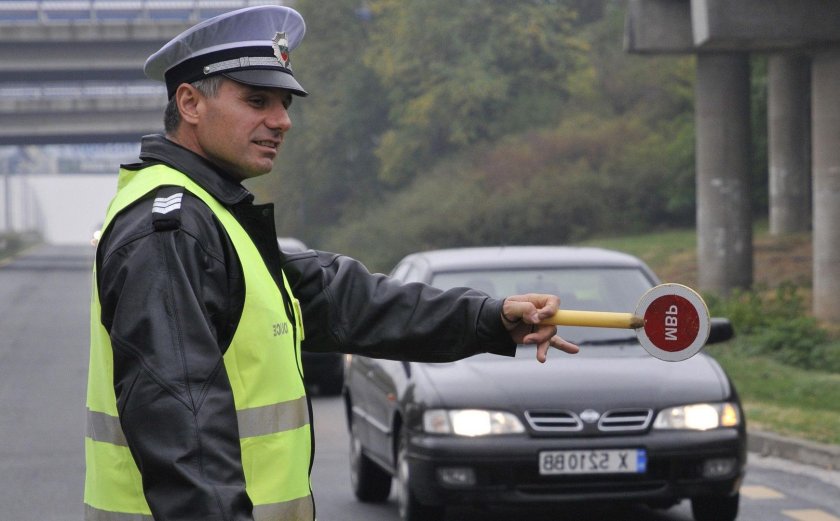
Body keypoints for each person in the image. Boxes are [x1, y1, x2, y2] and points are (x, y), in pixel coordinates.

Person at [84, 5, 579, 521]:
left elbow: (346, 301)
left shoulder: (210, 215)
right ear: (189, 102)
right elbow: (178, 421)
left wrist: (490, 317)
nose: (282, 121)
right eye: (257, 101)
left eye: (283, 103)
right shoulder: (175, 227)